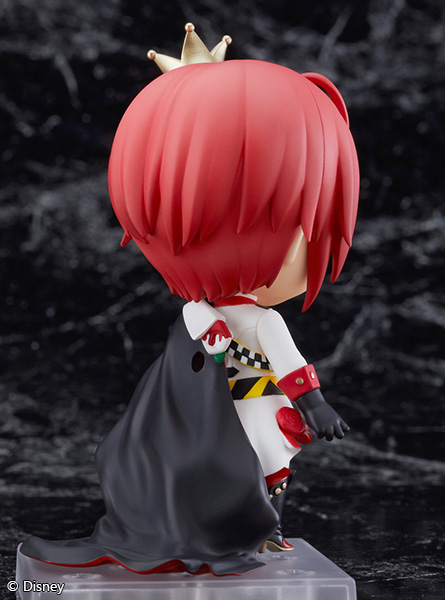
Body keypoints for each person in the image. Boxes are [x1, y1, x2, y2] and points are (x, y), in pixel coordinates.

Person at [20, 23, 359, 575]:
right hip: (218, 410)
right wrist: (307, 400)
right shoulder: (210, 317)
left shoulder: (257, 321)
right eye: (303, 227)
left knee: (273, 464)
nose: (312, 244)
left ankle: (266, 532)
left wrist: (312, 402)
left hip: (251, 402)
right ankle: (245, 528)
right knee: (254, 464)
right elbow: (217, 333)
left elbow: (289, 363)